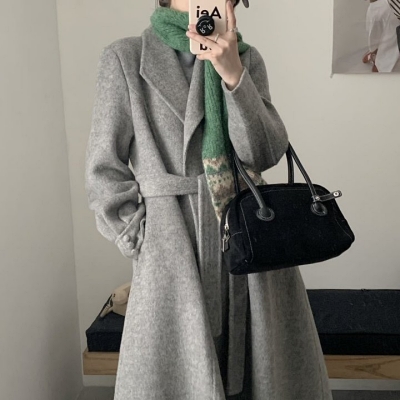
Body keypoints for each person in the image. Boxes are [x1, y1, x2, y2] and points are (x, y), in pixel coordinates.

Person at [84, 0, 333, 399]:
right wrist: (141, 238)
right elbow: (104, 169)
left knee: (258, 373)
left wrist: (233, 75)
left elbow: (264, 153)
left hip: (249, 242)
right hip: (173, 249)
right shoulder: (126, 58)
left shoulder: (246, 58)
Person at [363, 0, 400, 72]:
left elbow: (373, 35)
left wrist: (373, 49)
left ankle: (380, 65)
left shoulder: (377, 9)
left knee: (389, 43)